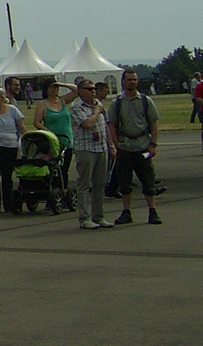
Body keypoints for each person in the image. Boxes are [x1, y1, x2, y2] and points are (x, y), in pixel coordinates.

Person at [107, 69, 161, 225]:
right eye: (129, 79)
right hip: (125, 147)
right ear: (123, 82)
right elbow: (112, 125)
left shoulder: (145, 100)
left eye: (135, 79)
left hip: (143, 146)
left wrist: (153, 144)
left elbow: (153, 122)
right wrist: (116, 144)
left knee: (148, 179)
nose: (132, 82)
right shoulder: (117, 103)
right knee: (125, 182)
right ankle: (127, 211)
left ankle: (152, 210)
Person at [68, 80, 112, 230]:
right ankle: (84, 218)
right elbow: (88, 124)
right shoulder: (76, 107)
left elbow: (105, 125)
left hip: (101, 147)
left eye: (94, 89)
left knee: (100, 183)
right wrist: (96, 111)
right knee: (84, 184)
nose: (93, 91)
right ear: (80, 91)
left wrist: (111, 145)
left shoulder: (98, 104)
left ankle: (98, 216)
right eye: (88, 89)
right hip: (86, 149)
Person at [32, 79, 74, 183]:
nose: (54, 89)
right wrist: (49, 132)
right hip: (53, 141)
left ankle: (63, 190)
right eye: (51, 87)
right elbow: (36, 122)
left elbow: (77, 90)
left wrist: (62, 83)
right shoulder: (43, 104)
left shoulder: (62, 100)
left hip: (66, 140)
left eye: (56, 87)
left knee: (64, 168)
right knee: (53, 168)